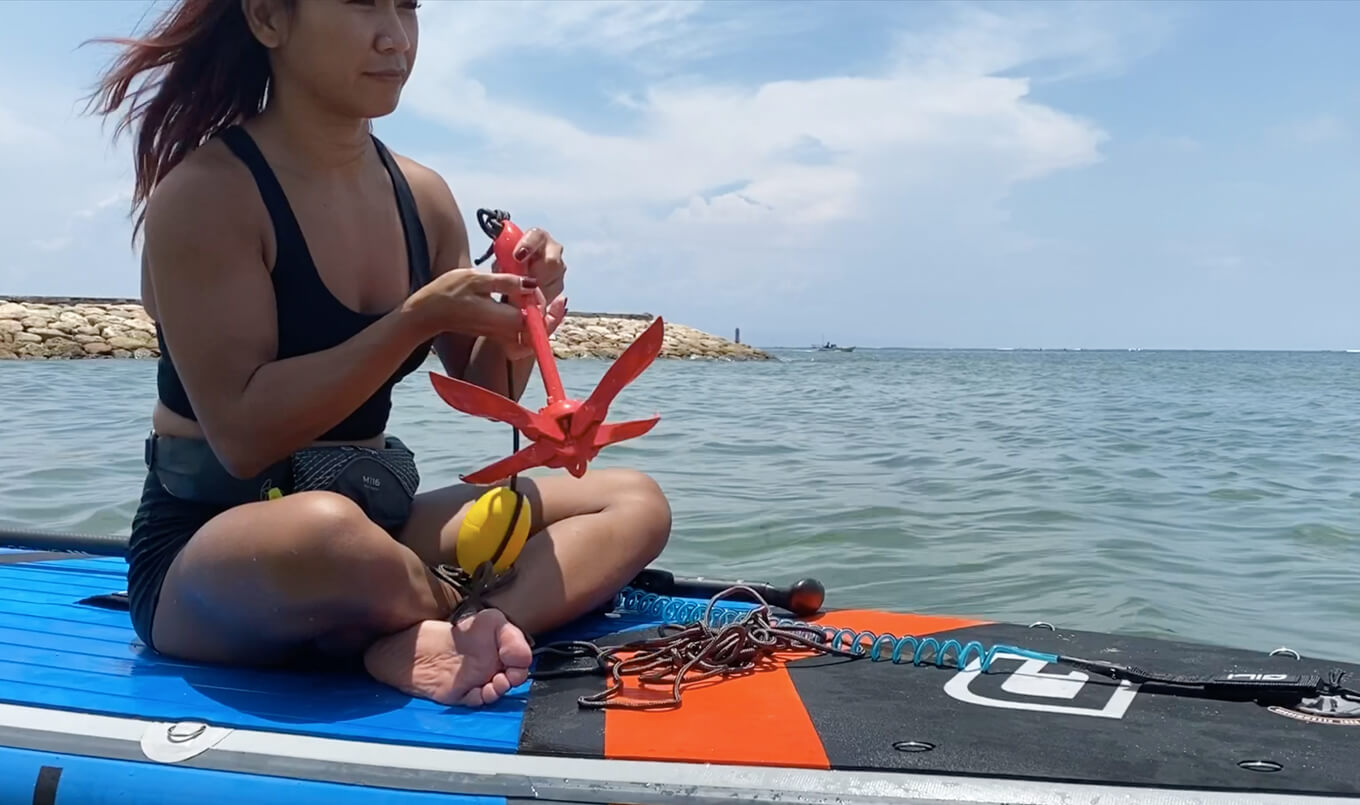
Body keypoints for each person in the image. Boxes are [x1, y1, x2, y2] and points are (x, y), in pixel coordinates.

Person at [84, 0, 672, 708]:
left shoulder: (421, 198)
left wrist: (524, 324)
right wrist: (409, 321)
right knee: (320, 532)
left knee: (633, 501)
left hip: (377, 528)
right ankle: (451, 612)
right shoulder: (208, 195)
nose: (395, 37)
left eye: (408, 7)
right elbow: (242, 437)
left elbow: (489, 385)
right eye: (363, 5)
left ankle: (440, 633)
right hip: (221, 548)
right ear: (269, 20)